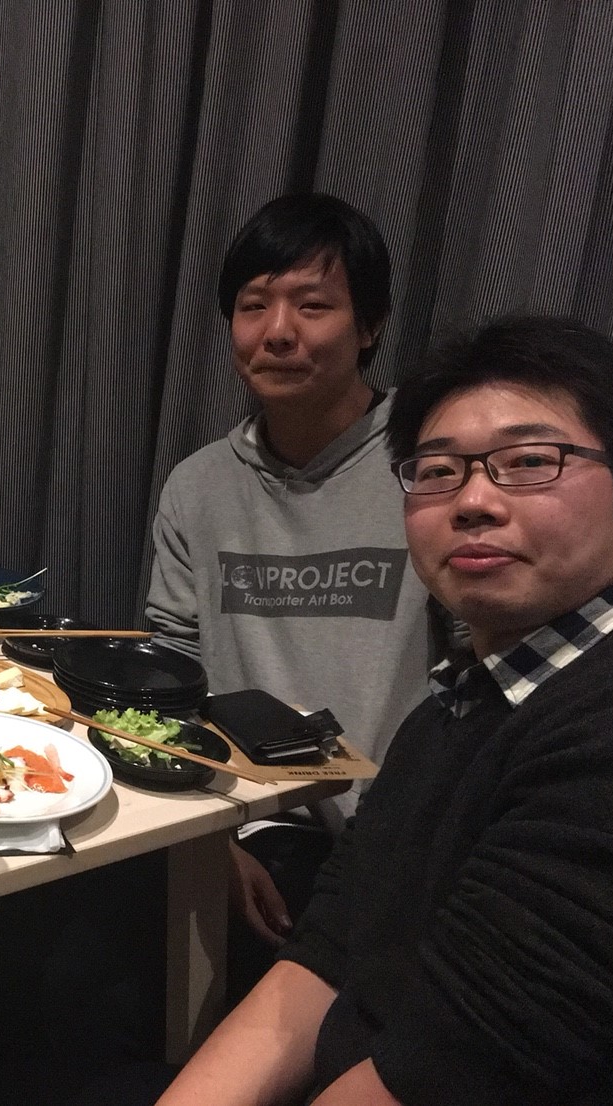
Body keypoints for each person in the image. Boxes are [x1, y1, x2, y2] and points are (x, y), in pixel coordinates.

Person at [158, 314, 613, 1105]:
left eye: (529, 462)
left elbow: (451, 1069)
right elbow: (328, 954)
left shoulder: (602, 729)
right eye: (438, 471)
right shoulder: (454, 708)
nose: (474, 500)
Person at [145, 193, 447, 956]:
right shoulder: (198, 486)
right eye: (254, 306)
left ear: (369, 326)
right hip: (241, 824)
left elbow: (481, 686)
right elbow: (171, 680)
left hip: (397, 841)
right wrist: (206, 840)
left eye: (313, 306)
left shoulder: (436, 471)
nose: (278, 331)